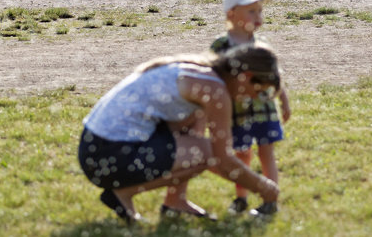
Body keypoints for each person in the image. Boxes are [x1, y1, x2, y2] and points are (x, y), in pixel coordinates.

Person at [78, 43, 281, 223]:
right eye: (260, 91)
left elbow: (190, 133)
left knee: (198, 130)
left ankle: (176, 201)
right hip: (107, 156)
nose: (255, 98)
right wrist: (265, 188)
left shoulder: (201, 71)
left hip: (92, 149)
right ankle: (122, 193)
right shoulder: (215, 90)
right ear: (245, 77)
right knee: (206, 153)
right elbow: (223, 159)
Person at [161, 0, 290, 217]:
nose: (258, 16)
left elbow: (275, 76)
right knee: (241, 154)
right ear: (231, 13)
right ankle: (241, 198)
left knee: (266, 152)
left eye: (260, 11)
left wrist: (284, 101)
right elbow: (212, 77)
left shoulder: (261, 45)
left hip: (264, 110)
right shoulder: (221, 45)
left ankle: (271, 199)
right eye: (251, 11)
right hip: (234, 111)